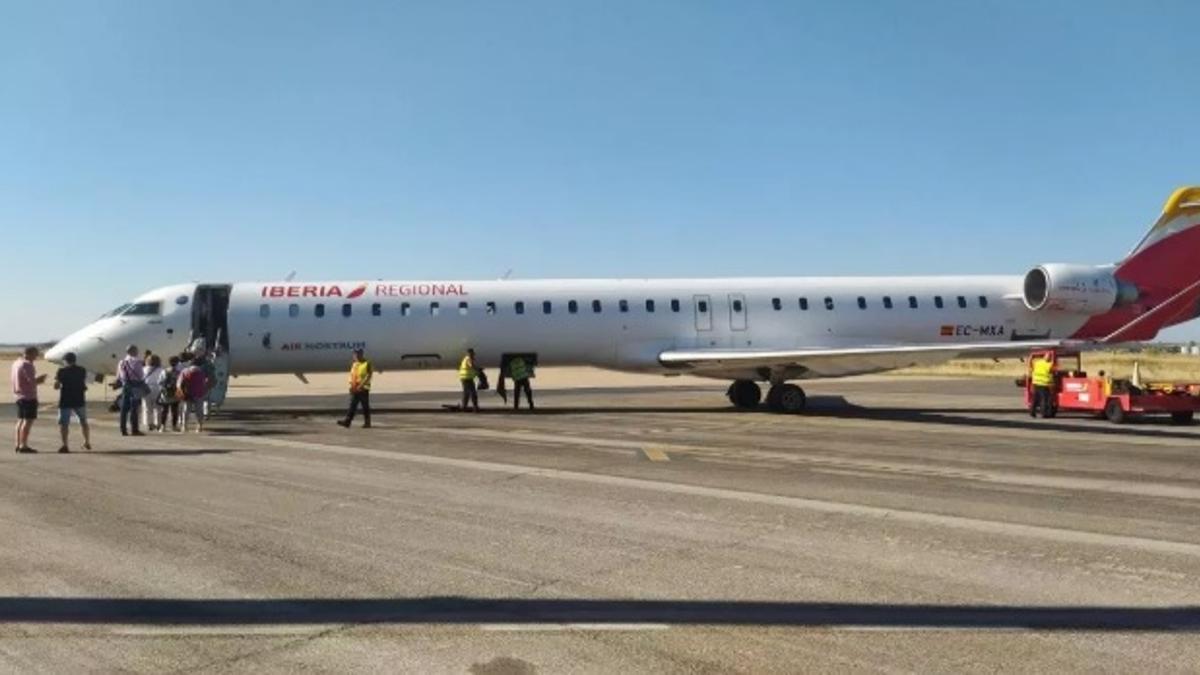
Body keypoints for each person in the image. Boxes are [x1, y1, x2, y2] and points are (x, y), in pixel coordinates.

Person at [11, 346, 46, 454]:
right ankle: (23, 445)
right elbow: (32, 382)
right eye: (35, 354)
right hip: (28, 396)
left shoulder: (16, 363)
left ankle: (18, 444)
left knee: (20, 420)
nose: (36, 357)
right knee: (27, 421)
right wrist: (40, 380)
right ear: (29, 354)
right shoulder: (27, 365)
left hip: (19, 395)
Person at [54, 352, 91, 453]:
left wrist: (59, 381)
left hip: (66, 399)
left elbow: (56, 386)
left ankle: (65, 444)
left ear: (65, 361)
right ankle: (86, 441)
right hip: (79, 399)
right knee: (83, 421)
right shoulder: (82, 370)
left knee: (64, 424)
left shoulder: (61, 371)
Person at [115, 345, 147, 436]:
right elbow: (141, 375)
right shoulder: (137, 362)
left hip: (126, 385)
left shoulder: (122, 362)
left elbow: (119, 375)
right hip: (135, 385)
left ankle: (123, 429)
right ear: (134, 351)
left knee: (124, 409)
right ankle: (134, 429)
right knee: (134, 408)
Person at [337, 349, 373, 428]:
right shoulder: (354, 364)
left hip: (363, 388)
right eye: (354, 355)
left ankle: (367, 423)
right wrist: (351, 385)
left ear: (361, 354)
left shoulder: (367, 363)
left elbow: (369, 375)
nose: (355, 356)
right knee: (352, 405)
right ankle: (347, 421)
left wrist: (361, 385)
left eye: (357, 355)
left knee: (365, 406)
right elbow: (352, 375)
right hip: (354, 388)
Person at [178, 354, 208, 433]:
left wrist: (180, 391)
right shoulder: (202, 371)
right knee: (199, 410)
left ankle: (184, 426)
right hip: (198, 393)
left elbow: (179, 383)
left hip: (187, 394)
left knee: (186, 410)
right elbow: (204, 383)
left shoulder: (185, 371)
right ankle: (199, 426)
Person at [157, 356, 183, 432]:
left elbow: (159, 382)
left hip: (166, 393)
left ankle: (162, 426)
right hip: (176, 393)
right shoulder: (179, 372)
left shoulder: (164, 371)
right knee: (175, 410)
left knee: (164, 410)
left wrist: (162, 389)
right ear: (177, 363)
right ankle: (174, 426)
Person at [142, 355, 164, 432]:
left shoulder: (144, 369)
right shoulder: (161, 370)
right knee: (158, 408)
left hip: (146, 388)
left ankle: (149, 423)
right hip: (157, 388)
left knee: (147, 407)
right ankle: (158, 424)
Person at [1030, 352, 1055, 418]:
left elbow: (1031, 364)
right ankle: (1044, 414)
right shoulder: (1049, 364)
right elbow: (1052, 370)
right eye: (1049, 356)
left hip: (1036, 383)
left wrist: (1031, 357)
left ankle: (1032, 412)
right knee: (1044, 400)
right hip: (1044, 384)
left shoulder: (1038, 362)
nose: (1049, 358)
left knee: (1035, 399)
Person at [458, 348, 480, 412]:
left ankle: (464, 407)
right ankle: (475, 407)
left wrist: (476, 372)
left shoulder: (466, 359)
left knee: (466, 393)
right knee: (473, 393)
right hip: (467, 379)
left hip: (465, 378)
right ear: (470, 354)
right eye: (472, 354)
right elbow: (471, 366)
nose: (473, 355)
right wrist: (477, 369)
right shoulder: (468, 359)